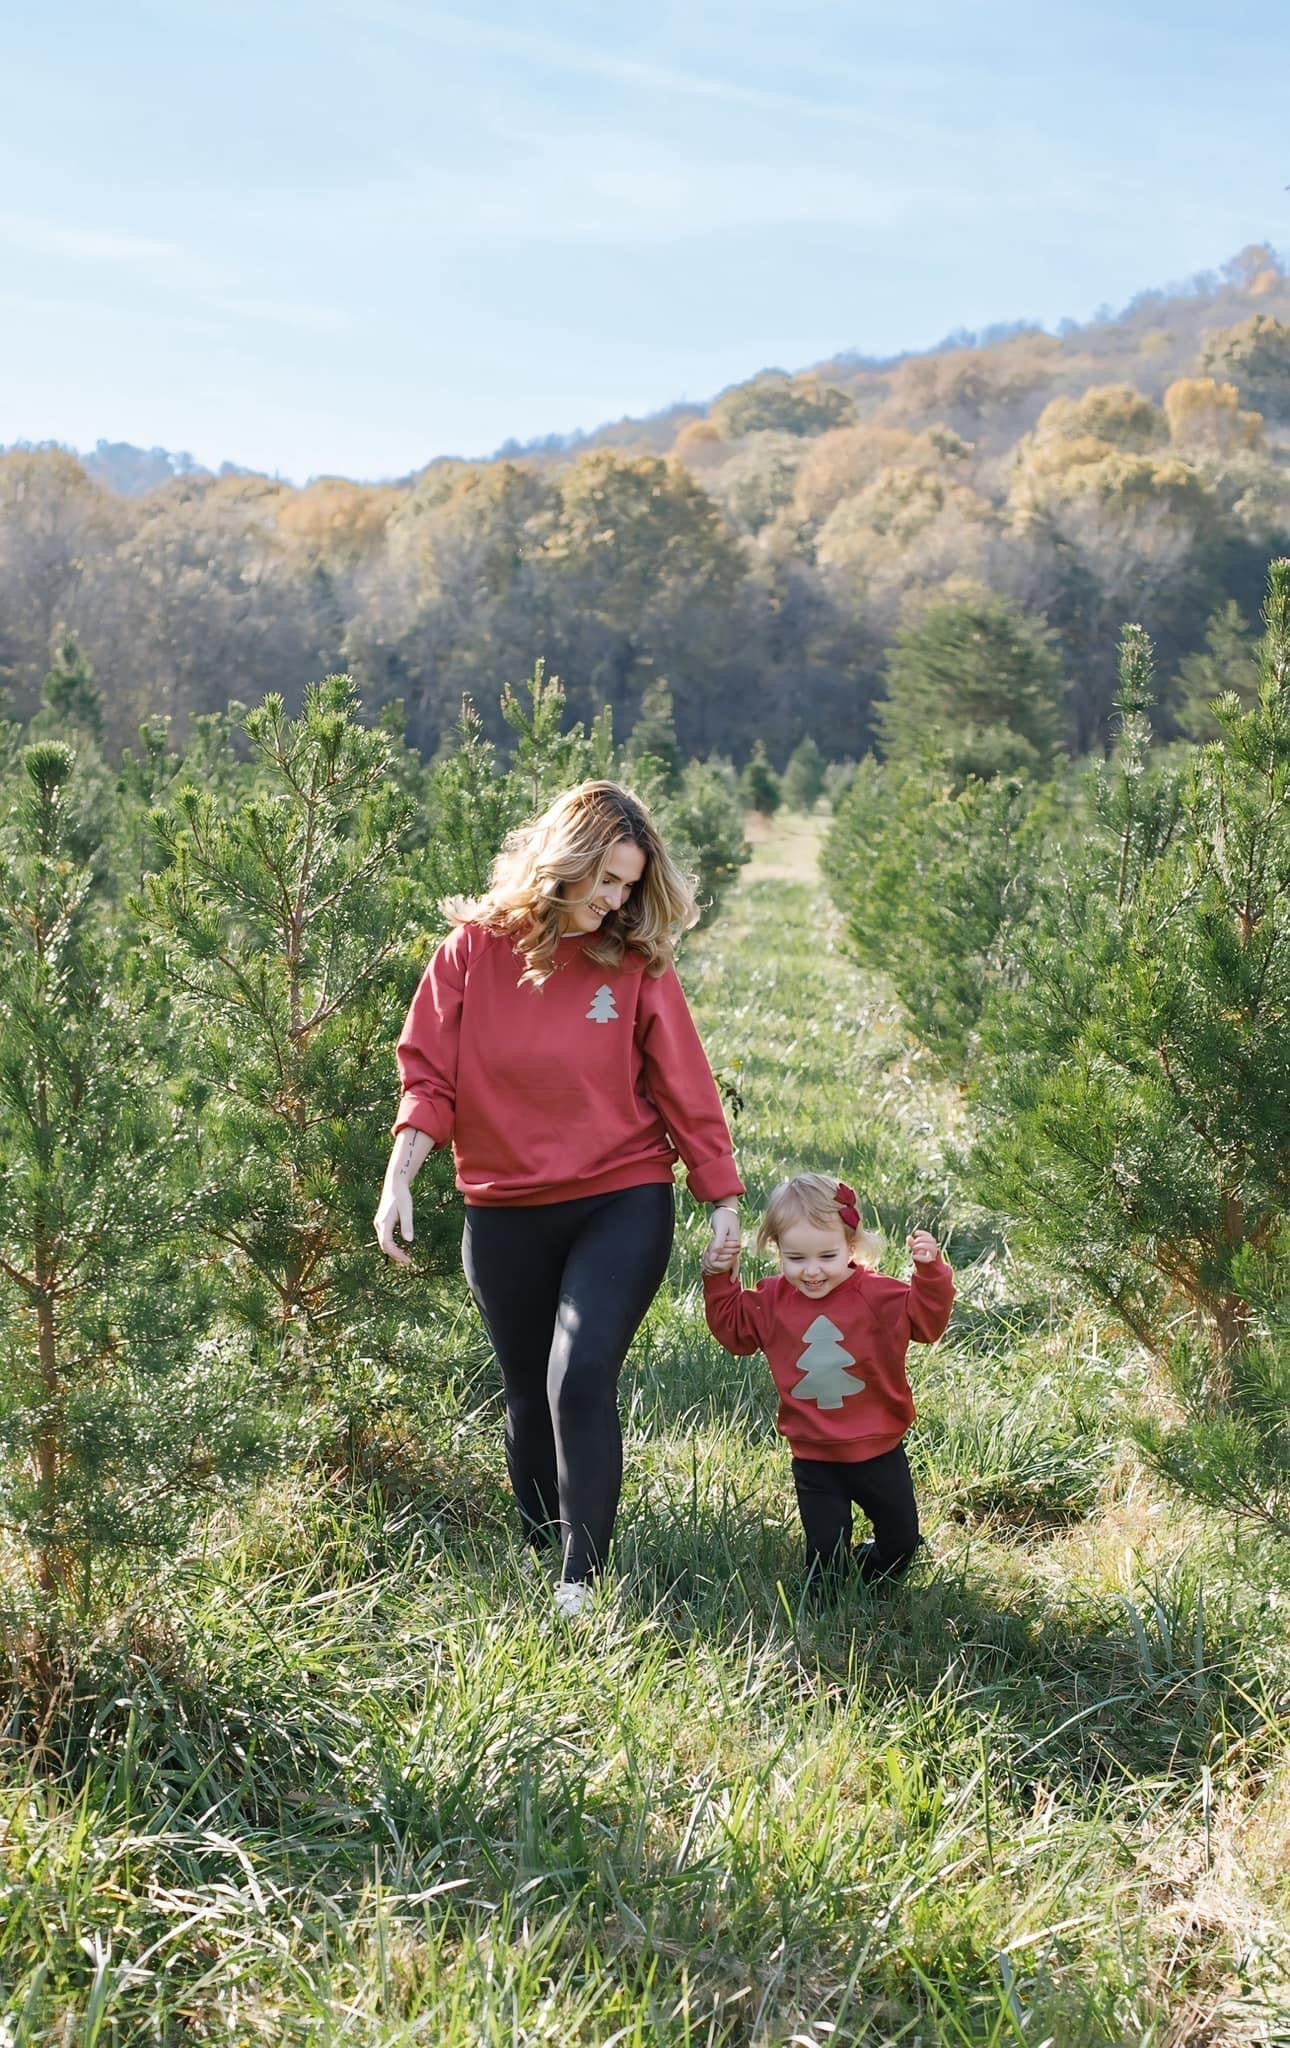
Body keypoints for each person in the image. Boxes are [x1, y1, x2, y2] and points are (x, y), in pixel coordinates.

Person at [375, 780, 743, 1619]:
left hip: (621, 1195)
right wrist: (401, 1175)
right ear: (564, 862)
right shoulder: (470, 953)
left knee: (578, 1377)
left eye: (628, 886)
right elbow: (428, 1076)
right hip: (503, 1207)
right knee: (526, 1392)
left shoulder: (636, 963)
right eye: (605, 880)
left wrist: (719, 1195)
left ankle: (582, 1580)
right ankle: (543, 1545)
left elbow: (685, 1085)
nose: (615, 902)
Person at [701, 1173, 953, 1594]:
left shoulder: (877, 1296)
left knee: (902, 1543)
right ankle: (823, 1620)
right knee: (825, 1555)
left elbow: (926, 1324)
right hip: (814, 1455)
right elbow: (733, 1331)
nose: (812, 1272)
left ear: (851, 1246)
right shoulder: (772, 1301)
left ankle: (872, 1575)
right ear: (778, 1250)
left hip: (879, 1451)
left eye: (827, 1256)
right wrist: (719, 1277)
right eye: (796, 1258)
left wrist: (930, 1274)